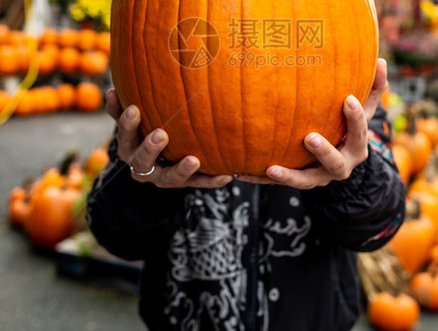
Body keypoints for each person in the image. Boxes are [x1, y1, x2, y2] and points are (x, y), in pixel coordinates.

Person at [86, 59, 407, 331]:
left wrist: (346, 177)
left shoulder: (344, 83)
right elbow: (115, 236)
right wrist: (145, 183)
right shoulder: (162, 82)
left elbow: (379, 225)